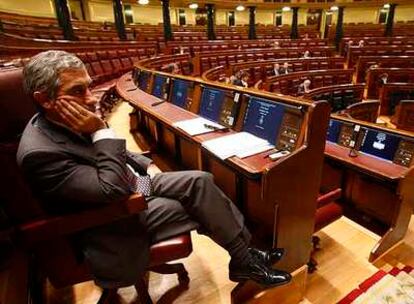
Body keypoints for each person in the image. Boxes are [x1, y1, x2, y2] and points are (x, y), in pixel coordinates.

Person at [17, 50, 291, 290]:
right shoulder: (40, 154)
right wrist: (101, 129)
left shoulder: (62, 118)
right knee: (201, 204)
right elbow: (110, 190)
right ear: (44, 99)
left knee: (201, 181)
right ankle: (245, 259)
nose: (90, 99)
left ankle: (246, 256)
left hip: (135, 186)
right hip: (114, 215)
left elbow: (113, 155)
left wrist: (147, 164)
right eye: (77, 91)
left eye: (89, 87)